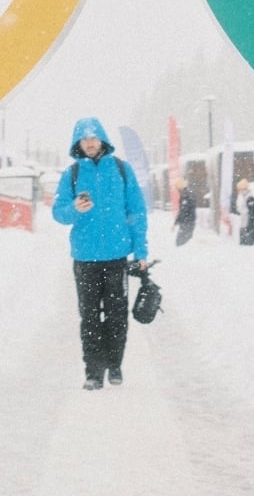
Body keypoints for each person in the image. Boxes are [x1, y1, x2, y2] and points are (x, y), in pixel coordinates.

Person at [50, 117, 150, 390]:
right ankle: (93, 372)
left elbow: (137, 212)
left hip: (117, 257)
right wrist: (74, 209)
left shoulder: (121, 169)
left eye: (93, 138)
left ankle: (114, 364)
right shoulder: (71, 174)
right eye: (84, 139)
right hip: (85, 258)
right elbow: (58, 213)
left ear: (102, 139)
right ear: (78, 143)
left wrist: (141, 251)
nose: (90, 143)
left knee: (117, 315)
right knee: (90, 317)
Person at [232, 178, 254, 246]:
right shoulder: (246, 197)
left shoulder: (250, 198)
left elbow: (252, 214)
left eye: (240, 190)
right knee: (245, 247)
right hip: (246, 225)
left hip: (249, 226)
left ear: (244, 189)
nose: (239, 192)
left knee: (248, 247)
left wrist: (249, 227)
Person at [172, 176, 197, 247]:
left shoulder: (185, 195)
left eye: (177, 187)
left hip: (186, 222)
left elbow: (183, 211)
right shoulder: (190, 193)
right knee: (187, 241)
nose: (176, 189)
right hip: (191, 221)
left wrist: (177, 222)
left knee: (180, 243)